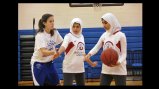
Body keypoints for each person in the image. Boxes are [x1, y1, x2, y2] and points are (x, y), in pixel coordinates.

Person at [85, 13, 127, 86]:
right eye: (102, 23)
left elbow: (124, 54)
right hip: (106, 70)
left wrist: (119, 62)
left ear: (111, 21)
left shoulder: (121, 35)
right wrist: (89, 54)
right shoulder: (104, 35)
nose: (103, 25)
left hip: (119, 70)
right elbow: (97, 47)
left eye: (105, 22)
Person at [52, 18, 97, 86]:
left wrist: (91, 63)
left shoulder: (82, 37)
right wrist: (58, 53)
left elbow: (83, 53)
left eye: (77, 27)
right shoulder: (68, 36)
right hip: (69, 68)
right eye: (74, 26)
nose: (75, 29)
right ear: (71, 26)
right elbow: (64, 46)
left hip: (80, 68)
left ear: (80, 27)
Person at [30, 13, 63, 86]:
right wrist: (54, 52)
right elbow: (44, 52)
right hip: (38, 63)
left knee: (57, 84)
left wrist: (61, 51)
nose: (52, 23)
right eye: (50, 21)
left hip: (49, 63)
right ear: (44, 23)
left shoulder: (55, 32)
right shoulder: (40, 35)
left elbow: (63, 43)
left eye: (53, 21)